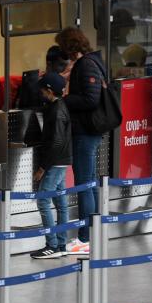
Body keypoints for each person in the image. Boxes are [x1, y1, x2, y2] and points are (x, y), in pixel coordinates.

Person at [56, 27, 107, 255]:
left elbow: (90, 98)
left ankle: (85, 238)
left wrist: (66, 100)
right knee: (90, 182)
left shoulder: (85, 65)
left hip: (85, 131)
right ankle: (92, 234)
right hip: (89, 130)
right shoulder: (90, 62)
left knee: (84, 183)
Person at [31, 72, 72, 259]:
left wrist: (42, 168)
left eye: (42, 90)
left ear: (49, 90)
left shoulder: (56, 111)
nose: (40, 94)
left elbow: (55, 142)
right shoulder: (61, 106)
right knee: (61, 203)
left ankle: (52, 245)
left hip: (55, 162)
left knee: (43, 200)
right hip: (62, 160)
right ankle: (62, 244)